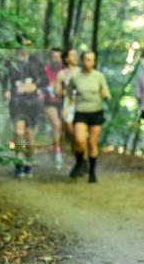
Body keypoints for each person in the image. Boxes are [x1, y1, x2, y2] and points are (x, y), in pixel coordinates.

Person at [66, 51, 111, 183]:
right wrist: (69, 107)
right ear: (82, 60)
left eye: (91, 60)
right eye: (86, 59)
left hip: (96, 113)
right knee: (79, 140)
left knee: (92, 142)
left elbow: (106, 92)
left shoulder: (99, 76)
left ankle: (92, 172)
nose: (89, 62)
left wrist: (106, 96)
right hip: (81, 112)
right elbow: (69, 93)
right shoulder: (76, 77)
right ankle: (81, 162)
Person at [5, 47, 48, 178]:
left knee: (29, 134)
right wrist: (6, 90)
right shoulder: (10, 62)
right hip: (17, 102)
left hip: (32, 103)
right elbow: (2, 78)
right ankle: (19, 161)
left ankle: (29, 162)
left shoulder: (36, 61)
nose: (23, 49)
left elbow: (45, 80)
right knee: (18, 132)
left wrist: (36, 86)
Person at [43, 47, 66, 170]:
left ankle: (56, 145)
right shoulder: (45, 71)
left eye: (58, 57)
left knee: (61, 128)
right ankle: (57, 153)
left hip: (64, 103)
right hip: (49, 103)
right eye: (53, 57)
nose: (55, 59)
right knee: (56, 124)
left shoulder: (66, 71)